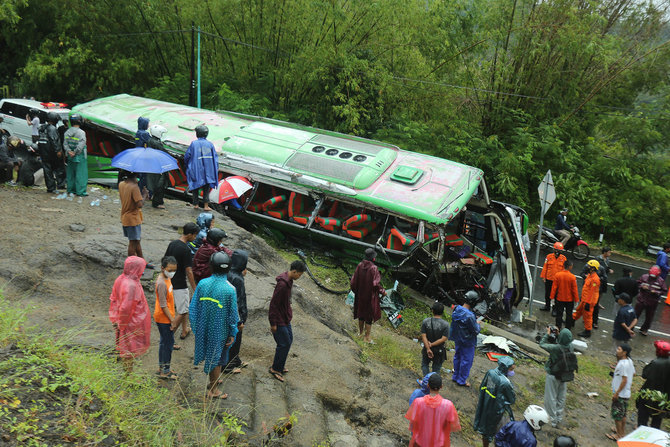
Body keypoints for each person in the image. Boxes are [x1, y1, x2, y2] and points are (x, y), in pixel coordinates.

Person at [189, 252, 239, 399]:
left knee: (212, 356)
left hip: (204, 327)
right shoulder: (230, 289)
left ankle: (213, 380)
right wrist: (232, 332)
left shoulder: (203, 283)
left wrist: (197, 327)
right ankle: (213, 390)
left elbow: (193, 308)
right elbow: (232, 315)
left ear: (211, 266)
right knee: (217, 359)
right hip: (220, 332)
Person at [108, 256, 151, 372]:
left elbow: (115, 299)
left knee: (124, 346)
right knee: (128, 349)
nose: (142, 271)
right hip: (129, 323)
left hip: (121, 319)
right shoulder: (131, 285)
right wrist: (122, 324)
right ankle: (128, 377)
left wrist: (117, 320)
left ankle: (127, 372)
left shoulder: (121, 278)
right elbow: (126, 308)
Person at [268, 260, 306, 382]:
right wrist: (273, 323)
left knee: (288, 341)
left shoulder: (289, 280)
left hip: (285, 317)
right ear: (294, 271)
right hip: (279, 319)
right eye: (299, 274)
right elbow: (274, 304)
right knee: (284, 343)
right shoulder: (283, 284)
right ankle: (275, 368)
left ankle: (280, 364)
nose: (299, 277)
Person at [164, 222, 199, 340]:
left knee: (182, 306)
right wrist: (195, 288)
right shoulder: (186, 250)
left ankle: (184, 329)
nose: (195, 238)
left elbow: (165, 260)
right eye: (194, 235)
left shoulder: (172, 244)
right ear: (189, 234)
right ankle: (169, 337)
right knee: (183, 311)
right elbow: (189, 271)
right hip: (180, 284)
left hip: (169, 281)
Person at [405, 374, 461, 447]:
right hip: (438, 443)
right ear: (441, 386)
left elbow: (412, 424)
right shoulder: (448, 405)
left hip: (420, 441)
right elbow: (453, 426)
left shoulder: (418, 402)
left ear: (428, 385)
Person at [474, 357, 516, 447]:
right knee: (500, 431)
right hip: (498, 411)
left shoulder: (491, 373)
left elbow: (486, 387)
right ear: (505, 368)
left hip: (486, 404)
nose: (512, 371)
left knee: (485, 430)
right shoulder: (505, 382)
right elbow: (512, 399)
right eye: (511, 369)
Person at [540, 327, 576, 428]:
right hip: (564, 375)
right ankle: (559, 417)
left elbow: (542, 344)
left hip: (553, 375)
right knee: (561, 396)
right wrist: (559, 335)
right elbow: (562, 342)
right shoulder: (571, 346)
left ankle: (551, 420)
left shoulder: (555, 348)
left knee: (550, 397)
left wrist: (547, 334)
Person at [350, 248, 386, 344]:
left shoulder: (359, 266)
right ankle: (367, 337)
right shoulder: (374, 268)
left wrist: (357, 292)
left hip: (360, 295)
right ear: (373, 258)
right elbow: (375, 284)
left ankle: (360, 333)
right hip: (370, 297)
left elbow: (353, 282)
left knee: (361, 314)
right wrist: (383, 291)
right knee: (368, 317)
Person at [154, 255, 181, 380]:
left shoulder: (166, 279)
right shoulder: (161, 283)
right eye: (170, 270)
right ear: (162, 268)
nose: (172, 273)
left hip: (167, 316)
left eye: (174, 270)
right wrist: (173, 321)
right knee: (168, 344)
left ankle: (162, 368)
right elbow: (163, 305)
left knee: (164, 342)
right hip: (164, 318)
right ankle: (165, 370)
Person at [224, 249, 250, 374]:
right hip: (235, 316)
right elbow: (238, 301)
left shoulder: (228, 272)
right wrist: (240, 320)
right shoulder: (237, 279)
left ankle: (235, 360)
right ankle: (228, 366)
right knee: (234, 339)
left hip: (227, 313)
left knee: (233, 339)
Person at [450, 290, 481, 387]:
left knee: (457, 357)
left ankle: (455, 376)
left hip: (458, 338)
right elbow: (475, 330)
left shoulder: (456, 309)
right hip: (468, 341)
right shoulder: (470, 316)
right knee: (466, 360)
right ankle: (461, 380)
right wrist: (477, 324)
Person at [636, 340, 670, 428]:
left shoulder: (655, 363)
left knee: (643, 419)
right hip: (664, 396)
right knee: (657, 420)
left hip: (649, 395)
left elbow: (645, 375)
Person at [184, 125, 218, 211]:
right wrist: (215, 168)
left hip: (196, 168)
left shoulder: (194, 143)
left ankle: (195, 204)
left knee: (195, 186)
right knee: (206, 187)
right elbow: (215, 157)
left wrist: (187, 165)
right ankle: (206, 206)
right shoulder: (210, 144)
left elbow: (187, 155)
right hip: (208, 169)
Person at [118, 171, 149, 261]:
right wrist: (144, 195)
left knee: (136, 241)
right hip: (133, 219)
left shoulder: (121, 184)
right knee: (133, 243)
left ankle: (142, 261)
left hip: (125, 217)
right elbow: (139, 204)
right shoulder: (134, 187)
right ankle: (131, 264)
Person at [607, 343, 635, 441]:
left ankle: (619, 435)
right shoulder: (629, 361)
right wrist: (616, 370)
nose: (617, 350)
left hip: (620, 394)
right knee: (623, 414)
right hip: (626, 393)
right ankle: (621, 432)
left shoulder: (623, 364)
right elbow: (633, 373)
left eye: (619, 349)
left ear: (624, 352)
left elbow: (624, 380)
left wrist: (616, 393)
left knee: (617, 415)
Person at [582, 247, 613, 329]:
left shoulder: (602, 268)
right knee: (585, 304)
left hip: (597, 288)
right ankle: (586, 318)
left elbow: (604, 276)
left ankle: (594, 321)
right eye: (609, 252)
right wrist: (588, 278)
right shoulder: (592, 263)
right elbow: (582, 273)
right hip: (588, 289)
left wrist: (598, 279)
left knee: (595, 305)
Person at [634, 265, 668, 336]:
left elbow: (664, 290)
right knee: (635, 315)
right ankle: (631, 327)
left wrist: (656, 292)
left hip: (652, 302)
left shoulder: (661, 281)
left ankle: (644, 329)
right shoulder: (644, 277)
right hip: (641, 300)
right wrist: (642, 286)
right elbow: (637, 283)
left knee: (649, 317)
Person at [38, 111, 65, 193]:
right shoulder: (52, 128)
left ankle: (50, 187)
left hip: (44, 152)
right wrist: (58, 150)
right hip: (51, 152)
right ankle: (60, 184)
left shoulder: (42, 127)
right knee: (59, 168)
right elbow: (54, 140)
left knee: (47, 170)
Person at [420, 301, 450, 375]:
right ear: (442, 312)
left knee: (425, 364)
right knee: (436, 368)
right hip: (439, 350)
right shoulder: (446, 325)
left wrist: (428, 348)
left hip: (427, 347)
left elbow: (423, 336)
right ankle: (433, 383)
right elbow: (444, 339)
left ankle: (426, 380)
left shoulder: (426, 322)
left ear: (432, 311)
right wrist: (432, 344)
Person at [572, 259, 600, 338]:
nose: (587, 267)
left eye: (589, 266)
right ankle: (572, 320)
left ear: (593, 268)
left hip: (589, 301)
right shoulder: (589, 276)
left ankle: (588, 331)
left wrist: (588, 303)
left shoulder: (595, 279)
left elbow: (592, 292)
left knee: (587, 316)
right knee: (579, 310)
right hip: (584, 299)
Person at [63, 114, 88, 197]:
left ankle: (71, 190)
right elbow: (81, 144)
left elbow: (65, 144)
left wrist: (69, 151)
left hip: (70, 156)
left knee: (71, 174)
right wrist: (75, 152)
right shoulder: (81, 132)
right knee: (81, 174)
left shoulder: (67, 132)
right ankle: (80, 191)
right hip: (80, 156)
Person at [550, 260, 579, 329]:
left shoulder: (558, 275)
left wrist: (552, 297)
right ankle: (567, 328)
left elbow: (554, 288)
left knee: (559, 314)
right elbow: (574, 290)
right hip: (569, 300)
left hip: (560, 298)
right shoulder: (572, 277)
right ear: (569, 267)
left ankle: (558, 327)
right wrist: (576, 300)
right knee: (569, 314)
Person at [146, 124, 169, 209]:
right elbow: (164, 152)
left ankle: (157, 200)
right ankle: (157, 202)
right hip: (159, 166)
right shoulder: (156, 143)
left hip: (153, 165)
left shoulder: (150, 140)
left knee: (156, 183)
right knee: (160, 184)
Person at [540, 242, 567, 313]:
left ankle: (555, 309)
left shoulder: (563, 259)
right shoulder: (549, 257)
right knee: (547, 294)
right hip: (548, 279)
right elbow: (545, 267)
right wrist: (543, 277)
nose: (557, 252)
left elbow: (565, 270)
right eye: (556, 250)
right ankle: (547, 306)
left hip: (557, 281)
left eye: (559, 250)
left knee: (556, 296)